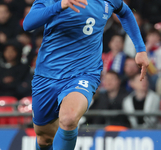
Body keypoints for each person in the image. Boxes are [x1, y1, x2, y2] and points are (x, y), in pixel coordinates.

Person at [23, 0, 149, 149]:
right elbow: (28, 24)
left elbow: (126, 12)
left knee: (69, 118)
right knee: (44, 138)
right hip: (47, 76)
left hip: (84, 73)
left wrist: (140, 49)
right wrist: (59, 6)